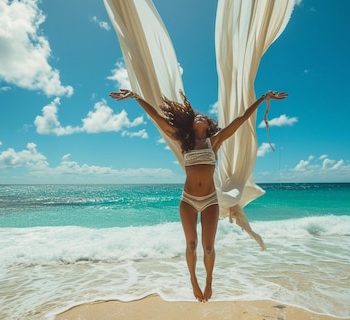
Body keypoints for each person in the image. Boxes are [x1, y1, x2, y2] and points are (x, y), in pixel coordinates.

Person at [109, 88, 288, 302]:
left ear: (208, 124)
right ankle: (193, 280)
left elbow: (241, 119)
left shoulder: (215, 141)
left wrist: (262, 98)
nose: (200, 116)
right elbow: (157, 119)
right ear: (192, 124)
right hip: (188, 200)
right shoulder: (184, 141)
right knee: (192, 245)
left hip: (210, 200)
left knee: (209, 247)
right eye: (196, 116)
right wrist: (136, 96)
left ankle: (209, 281)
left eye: (203, 116)